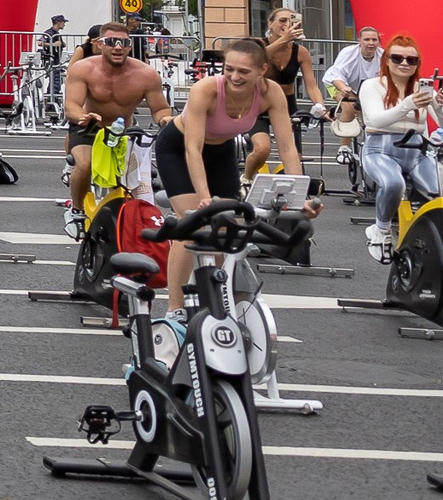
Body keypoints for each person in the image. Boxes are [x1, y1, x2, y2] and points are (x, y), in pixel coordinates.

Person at [155, 37, 319, 318]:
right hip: (179, 149)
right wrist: (205, 197)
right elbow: (192, 149)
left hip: (221, 151)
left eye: (243, 71)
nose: (234, 76)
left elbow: (287, 147)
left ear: (261, 71)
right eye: (228, 69)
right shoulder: (207, 89)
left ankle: (213, 300)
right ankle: (175, 307)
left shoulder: (272, 94)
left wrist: (298, 197)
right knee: (192, 221)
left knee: (226, 228)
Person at [60, 22, 176, 211]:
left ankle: (121, 217)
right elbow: (71, 106)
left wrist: (165, 120)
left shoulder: (146, 74)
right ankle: (77, 209)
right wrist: (82, 117)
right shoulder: (82, 68)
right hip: (89, 126)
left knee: (125, 179)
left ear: (130, 46)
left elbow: (160, 109)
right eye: (112, 41)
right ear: (99, 44)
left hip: (123, 130)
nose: (118, 47)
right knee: (85, 165)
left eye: (124, 43)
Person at [358, 35, 435, 255]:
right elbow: (374, 121)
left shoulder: (422, 87)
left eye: (411, 60)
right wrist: (407, 104)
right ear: (386, 61)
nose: (404, 63)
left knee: (437, 191)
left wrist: (438, 107)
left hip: (418, 151)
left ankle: (426, 235)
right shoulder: (372, 85)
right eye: (397, 58)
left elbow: (440, 122)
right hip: (381, 148)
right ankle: (380, 229)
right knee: (393, 183)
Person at [246, 7, 327, 178]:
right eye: (282, 20)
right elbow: (253, 60)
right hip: (259, 102)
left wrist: (320, 106)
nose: (287, 24)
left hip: (286, 103)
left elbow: (311, 85)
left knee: (294, 156)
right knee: (262, 149)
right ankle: (246, 177)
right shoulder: (259, 45)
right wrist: (283, 40)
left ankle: (288, 190)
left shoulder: (300, 52)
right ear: (271, 23)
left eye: (292, 20)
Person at [324, 23, 383, 110]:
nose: (371, 43)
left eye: (374, 40)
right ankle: (338, 122)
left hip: (361, 87)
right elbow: (336, 76)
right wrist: (344, 89)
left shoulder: (383, 55)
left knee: (368, 110)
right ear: (359, 40)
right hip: (336, 82)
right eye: (367, 40)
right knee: (350, 109)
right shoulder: (348, 53)